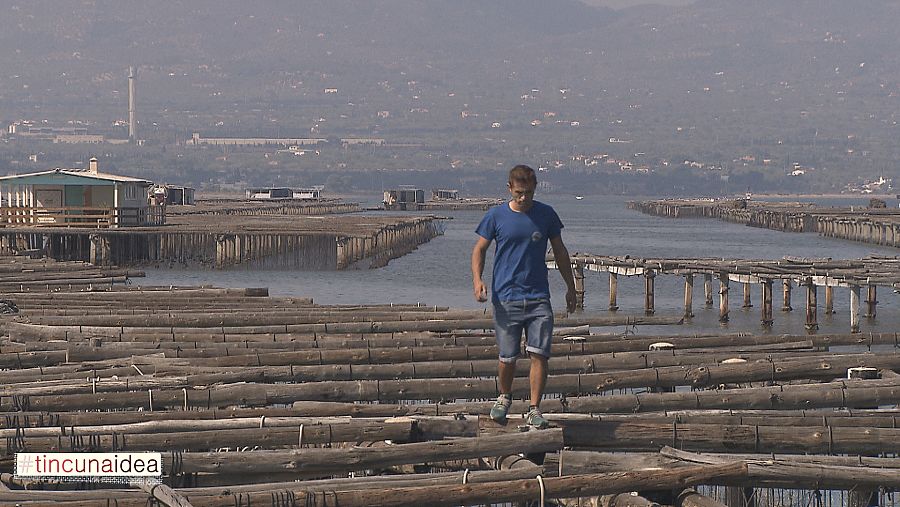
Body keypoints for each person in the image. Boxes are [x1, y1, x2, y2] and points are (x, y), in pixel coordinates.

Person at [471, 164, 576, 429]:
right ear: (509, 189)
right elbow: (479, 250)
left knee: (539, 354)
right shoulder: (495, 217)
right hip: (506, 298)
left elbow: (561, 253)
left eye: (528, 193)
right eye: (519, 193)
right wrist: (477, 280)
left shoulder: (546, 215)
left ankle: (534, 408)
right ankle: (504, 397)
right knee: (507, 357)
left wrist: (571, 287)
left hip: (539, 297)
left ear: (535, 189)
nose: (524, 198)